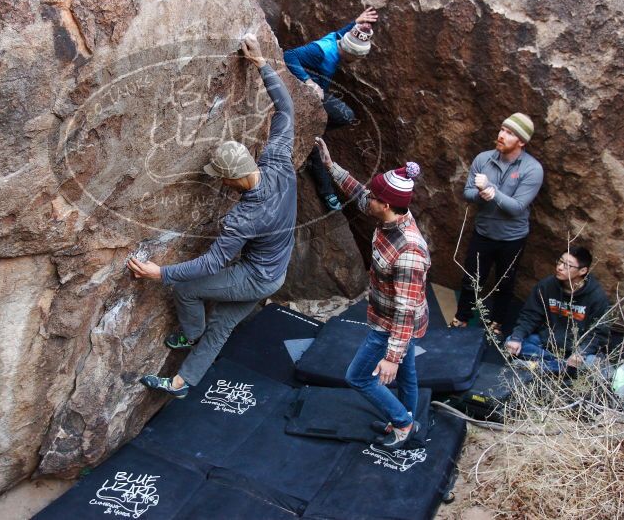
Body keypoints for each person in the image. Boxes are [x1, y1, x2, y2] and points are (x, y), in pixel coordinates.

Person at [127, 34, 296, 399]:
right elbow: (286, 110)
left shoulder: (244, 217)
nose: (220, 182)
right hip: (276, 271)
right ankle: (182, 383)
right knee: (222, 325)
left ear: (232, 178)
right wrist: (262, 64)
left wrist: (162, 273)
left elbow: (212, 262)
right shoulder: (279, 162)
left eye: (220, 177)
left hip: (256, 276)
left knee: (186, 288)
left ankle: (190, 332)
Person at [316, 137, 430, 449]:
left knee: (359, 376)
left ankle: (404, 424)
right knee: (408, 376)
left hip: (392, 324)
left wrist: (391, 356)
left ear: (388, 205)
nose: (370, 200)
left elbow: (405, 310)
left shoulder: (408, 251)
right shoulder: (391, 212)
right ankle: (404, 417)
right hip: (390, 316)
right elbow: (361, 194)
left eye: (376, 199)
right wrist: (331, 167)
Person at [451, 113, 544, 335]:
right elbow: (468, 192)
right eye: (502, 129)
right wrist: (480, 195)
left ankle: (498, 322)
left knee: (505, 282)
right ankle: (462, 317)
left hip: (512, 238)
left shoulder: (532, 169)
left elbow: (517, 207)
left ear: (521, 141)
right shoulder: (483, 159)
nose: (502, 135)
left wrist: (491, 190)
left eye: (510, 133)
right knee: (471, 279)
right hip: (483, 232)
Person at [284, 7, 378, 211]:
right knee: (339, 120)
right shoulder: (321, 51)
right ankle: (326, 191)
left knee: (340, 118)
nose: (356, 62)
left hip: (314, 99)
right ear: (350, 53)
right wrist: (309, 82)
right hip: (301, 92)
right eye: (357, 58)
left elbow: (341, 33)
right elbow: (289, 56)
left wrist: (356, 22)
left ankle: (312, 136)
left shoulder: (339, 40)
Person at [505, 246, 610, 373]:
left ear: (583, 271)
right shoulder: (546, 286)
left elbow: (599, 333)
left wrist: (581, 352)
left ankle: (540, 366)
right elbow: (530, 316)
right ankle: (558, 366)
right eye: (560, 262)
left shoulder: (597, 296)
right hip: (547, 343)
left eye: (567, 265)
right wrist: (517, 338)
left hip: (576, 351)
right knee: (511, 341)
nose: (560, 267)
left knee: (592, 364)